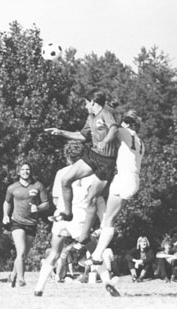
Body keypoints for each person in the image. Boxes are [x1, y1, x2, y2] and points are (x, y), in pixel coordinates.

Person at [34, 141, 118, 296]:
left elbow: (55, 197)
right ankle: (107, 281)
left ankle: (39, 288)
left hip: (61, 217)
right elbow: (97, 199)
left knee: (54, 253)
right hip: (80, 217)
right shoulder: (93, 174)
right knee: (95, 251)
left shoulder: (61, 173)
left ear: (67, 157)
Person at [82, 110, 145, 265]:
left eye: (124, 121)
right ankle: (98, 243)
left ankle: (97, 255)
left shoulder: (123, 131)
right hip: (134, 179)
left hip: (124, 177)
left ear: (128, 124)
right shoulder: (140, 141)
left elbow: (111, 128)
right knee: (109, 218)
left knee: (109, 219)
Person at [45, 90, 119, 222]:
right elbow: (82, 136)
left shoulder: (106, 114)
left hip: (106, 162)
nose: (85, 106)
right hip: (93, 155)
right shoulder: (91, 118)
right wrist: (61, 132)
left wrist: (105, 141)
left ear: (93, 102)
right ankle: (68, 213)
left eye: (86, 103)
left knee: (92, 199)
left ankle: (100, 228)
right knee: (65, 180)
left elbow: (114, 129)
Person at [2, 161, 49, 287]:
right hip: (17, 222)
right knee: (21, 252)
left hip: (32, 223)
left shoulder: (38, 186)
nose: (25, 172)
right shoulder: (12, 187)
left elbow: (46, 203)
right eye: (23, 169)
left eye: (28, 169)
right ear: (18, 172)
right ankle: (21, 280)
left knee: (23, 255)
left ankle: (12, 276)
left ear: (31, 171)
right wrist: (5, 215)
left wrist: (38, 208)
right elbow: (7, 202)